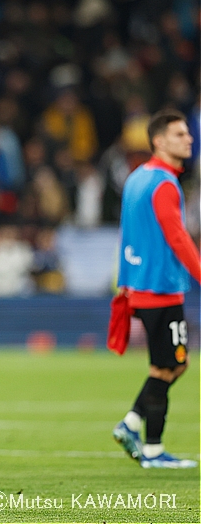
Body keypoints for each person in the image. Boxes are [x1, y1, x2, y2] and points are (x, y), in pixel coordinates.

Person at [111, 109, 199, 469]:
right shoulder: (164, 183)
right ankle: (152, 448)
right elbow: (176, 236)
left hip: (137, 285)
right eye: (180, 134)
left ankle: (133, 424)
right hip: (161, 287)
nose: (189, 139)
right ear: (159, 141)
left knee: (171, 365)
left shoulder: (136, 178)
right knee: (169, 366)